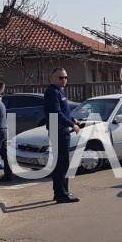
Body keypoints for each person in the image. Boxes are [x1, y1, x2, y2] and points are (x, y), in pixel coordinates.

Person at [43, 68, 80, 203]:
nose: (64, 80)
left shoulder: (59, 91)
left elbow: (65, 111)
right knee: (62, 164)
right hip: (58, 131)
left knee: (62, 163)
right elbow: (56, 113)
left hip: (62, 130)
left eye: (65, 77)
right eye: (60, 77)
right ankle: (62, 194)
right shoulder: (52, 92)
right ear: (52, 77)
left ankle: (59, 192)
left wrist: (73, 119)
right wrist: (72, 124)